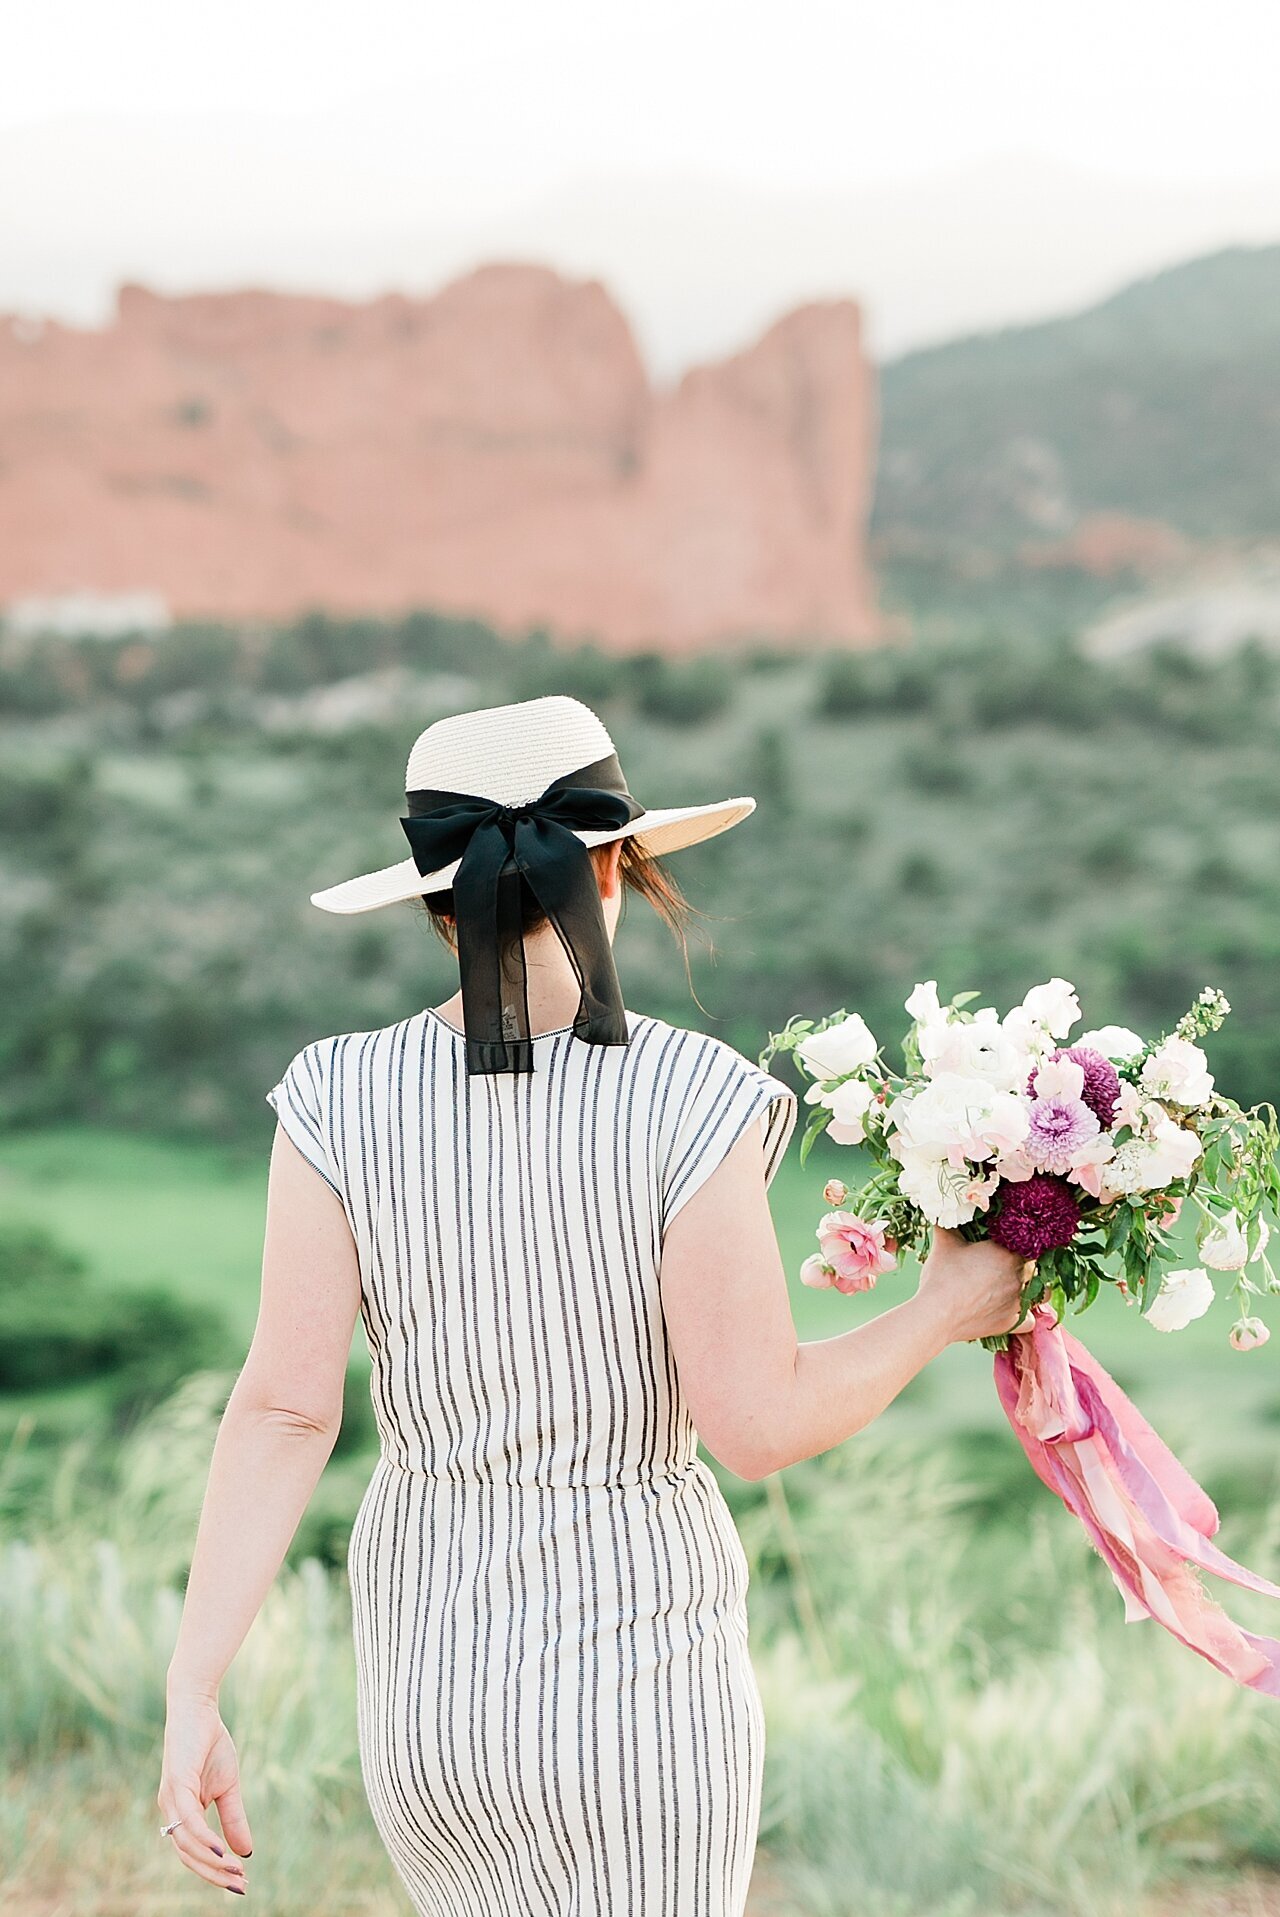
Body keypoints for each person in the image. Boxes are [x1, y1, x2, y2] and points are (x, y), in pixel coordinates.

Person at [157, 694, 1029, 1915]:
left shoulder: (330, 1095)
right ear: (616, 865)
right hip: (639, 1674)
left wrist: (193, 1692)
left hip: (428, 1689)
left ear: (430, 895)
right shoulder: (694, 1095)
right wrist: (946, 1303)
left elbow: (283, 1416)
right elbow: (755, 1425)